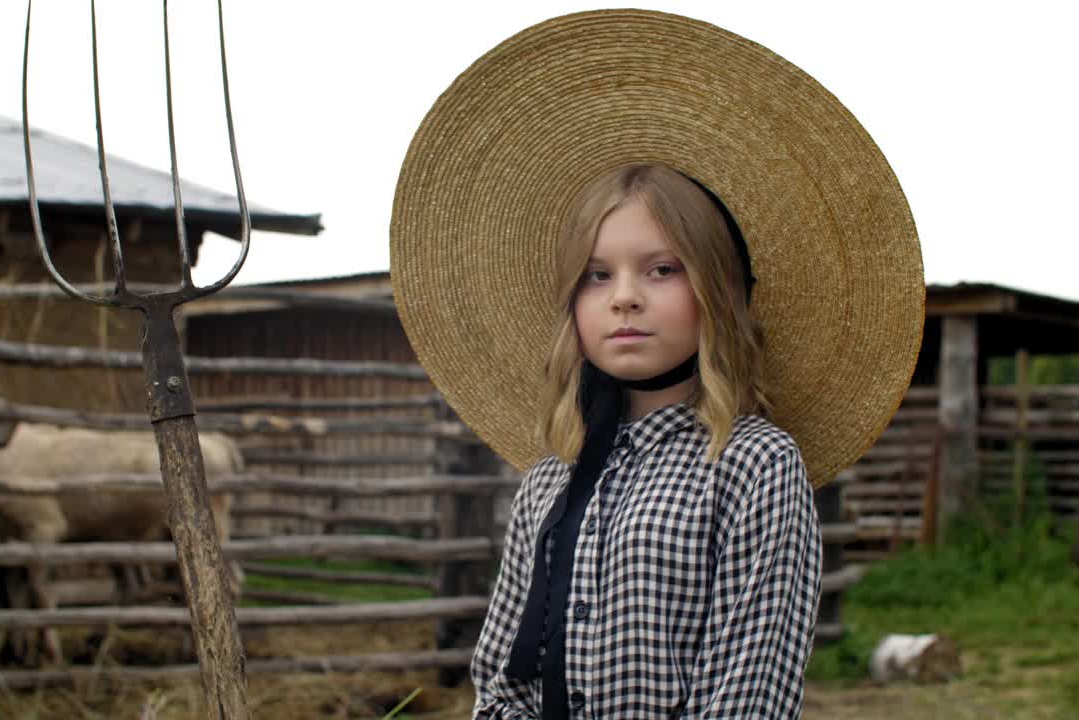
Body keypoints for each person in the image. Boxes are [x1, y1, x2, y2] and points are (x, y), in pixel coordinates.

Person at [389, 9, 925, 719]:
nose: (625, 299)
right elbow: (504, 682)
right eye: (597, 275)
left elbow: (749, 695)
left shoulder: (753, 466)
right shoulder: (550, 482)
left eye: (662, 270)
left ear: (716, 293)